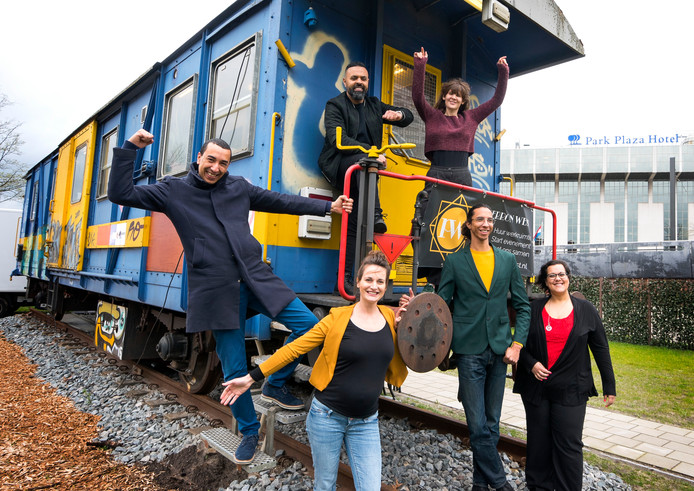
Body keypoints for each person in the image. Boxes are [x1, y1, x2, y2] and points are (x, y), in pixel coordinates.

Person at [108, 129, 353, 464]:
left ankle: (275, 384)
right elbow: (120, 192)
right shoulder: (173, 191)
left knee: (312, 327)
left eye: (223, 162)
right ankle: (250, 432)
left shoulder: (237, 187)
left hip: (255, 278)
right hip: (215, 290)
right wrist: (130, 149)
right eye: (211, 160)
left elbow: (278, 200)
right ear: (199, 158)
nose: (216, 167)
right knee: (235, 367)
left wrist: (327, 207)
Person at [220, 250, 408, 490]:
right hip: (327, 417)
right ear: (358, 282)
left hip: (366, 422)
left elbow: (415, 354)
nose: (374, 286)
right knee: (325, 485)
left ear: (385, 286)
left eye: (380, 281)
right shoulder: (336, 319)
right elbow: (293, 349)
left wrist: (411, 322)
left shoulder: (390, 319)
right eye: (369, 279)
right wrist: (252, 377)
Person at [402, 202, 529, 490]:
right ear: (469, 225)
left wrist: (517, 344)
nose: (486, 224)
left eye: (490, 220)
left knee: (492, 424)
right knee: (477, 424)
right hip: (469, 349)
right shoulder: (455, 262)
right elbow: (442, 302)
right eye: (480, 219)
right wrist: (419, 306)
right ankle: (500, 484)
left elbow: (522, 307)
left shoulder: (507, 260)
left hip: (499, 350)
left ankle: (479, 485)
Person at [513, 260, 616, 491]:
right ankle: (539, 486)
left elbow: (601, 348)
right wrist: (531, 364)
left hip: (572, 389)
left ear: (568, 277)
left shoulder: (586, 310)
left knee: (569, 444)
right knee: (538, 442)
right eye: (552, 275)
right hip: (537, 388)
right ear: (545, 282)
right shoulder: (534, 309)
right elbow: (520, 344)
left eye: (562, 274)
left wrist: (610, 386)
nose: (558, 278)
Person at [411, 48, 509, 287]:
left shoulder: (472, 118)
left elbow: (496, 100)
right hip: (436, 173)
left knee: (463, 222)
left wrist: (502, 72)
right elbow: (417, 97)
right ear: (444, 97)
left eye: (458, 95)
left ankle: (464, 273)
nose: (454, 98)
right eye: (450, 94)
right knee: (428, 222)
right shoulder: (432, 115)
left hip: (462, 175)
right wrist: (421, 64)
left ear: (463, 100)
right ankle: (431, 276)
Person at [318, 61, 414, 291]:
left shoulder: (373, 105)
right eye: (354, 78)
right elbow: (337, 140)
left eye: (363, 78)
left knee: (353, 224)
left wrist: (398, 114)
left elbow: (409, 116)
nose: (358, 82)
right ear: (345, 82)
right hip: (340, 164)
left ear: (368, 82)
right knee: (364, 165)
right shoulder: (335, 105)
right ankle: (377, 214)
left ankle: (347, 281)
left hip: (366, 171)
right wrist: (371, 153)